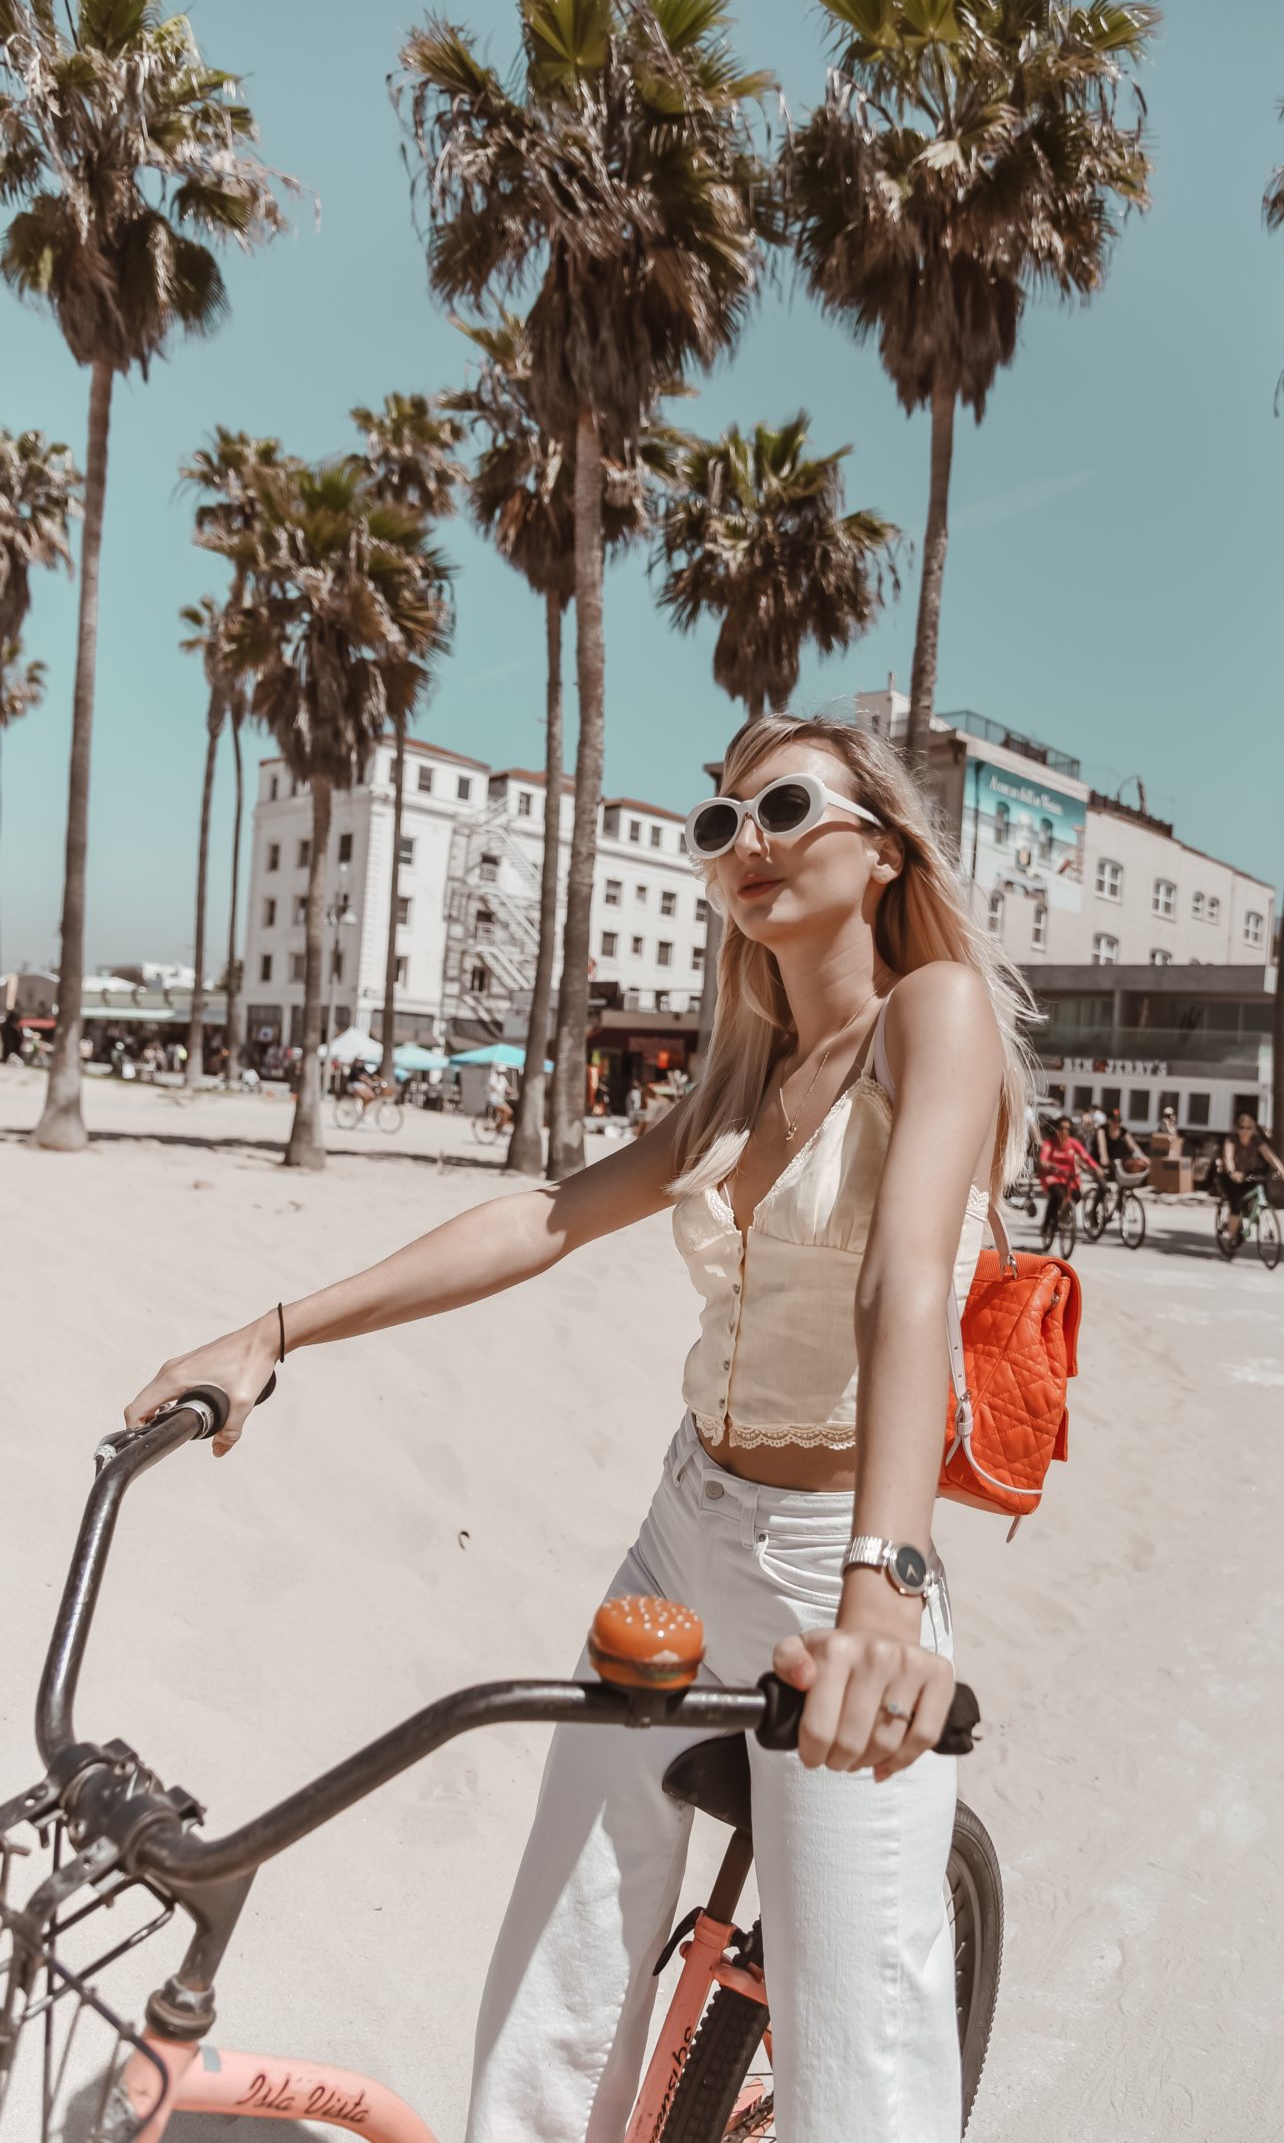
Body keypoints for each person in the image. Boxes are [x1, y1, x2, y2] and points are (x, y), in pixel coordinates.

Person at [124, 714, 1037, 2143]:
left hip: (838, 1555)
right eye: (721, 823)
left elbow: (907, 1276)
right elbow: (542, 1219)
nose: (751, 844)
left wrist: (886, 1587)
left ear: (880, 851)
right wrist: (274, 1329)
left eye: (788, 806)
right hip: (684, 1531)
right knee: (565, 1949)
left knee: (864, 2046)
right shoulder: (745, 1072)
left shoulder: (934, 1014)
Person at [1217, 1111, 1284, 1244]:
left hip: (1248, 1174)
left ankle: (1252, 1215)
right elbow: (1228, 1157)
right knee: (1236, 1205)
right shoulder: (1231, 1140)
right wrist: (1232, 1172)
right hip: (1230, 1177)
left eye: (1248, 1128)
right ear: (1237, 1128)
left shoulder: (1256, 1140)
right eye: (1241, 1128)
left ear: (1253, 1129)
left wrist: (1281, 1169)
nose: (1244, 1131)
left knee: (1259, 1189)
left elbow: (1269, 1156)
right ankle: (1231, 1236)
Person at [1037, 1114, 1101, 1243]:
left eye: (1067, 1129)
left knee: (1077, 1195)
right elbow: (1043, 1159)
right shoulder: (1050, 1144)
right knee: (1057, 1196)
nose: (1064, 1131)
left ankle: (1064, 1214)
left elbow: (1085, 1157)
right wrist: (1048, 1164)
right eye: (1061, 1128)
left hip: (1069, 1178)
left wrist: (1096, 1168)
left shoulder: (1073, 1143)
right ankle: (1047, 1224)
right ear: (1056, 1129)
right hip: (1053, 1177)